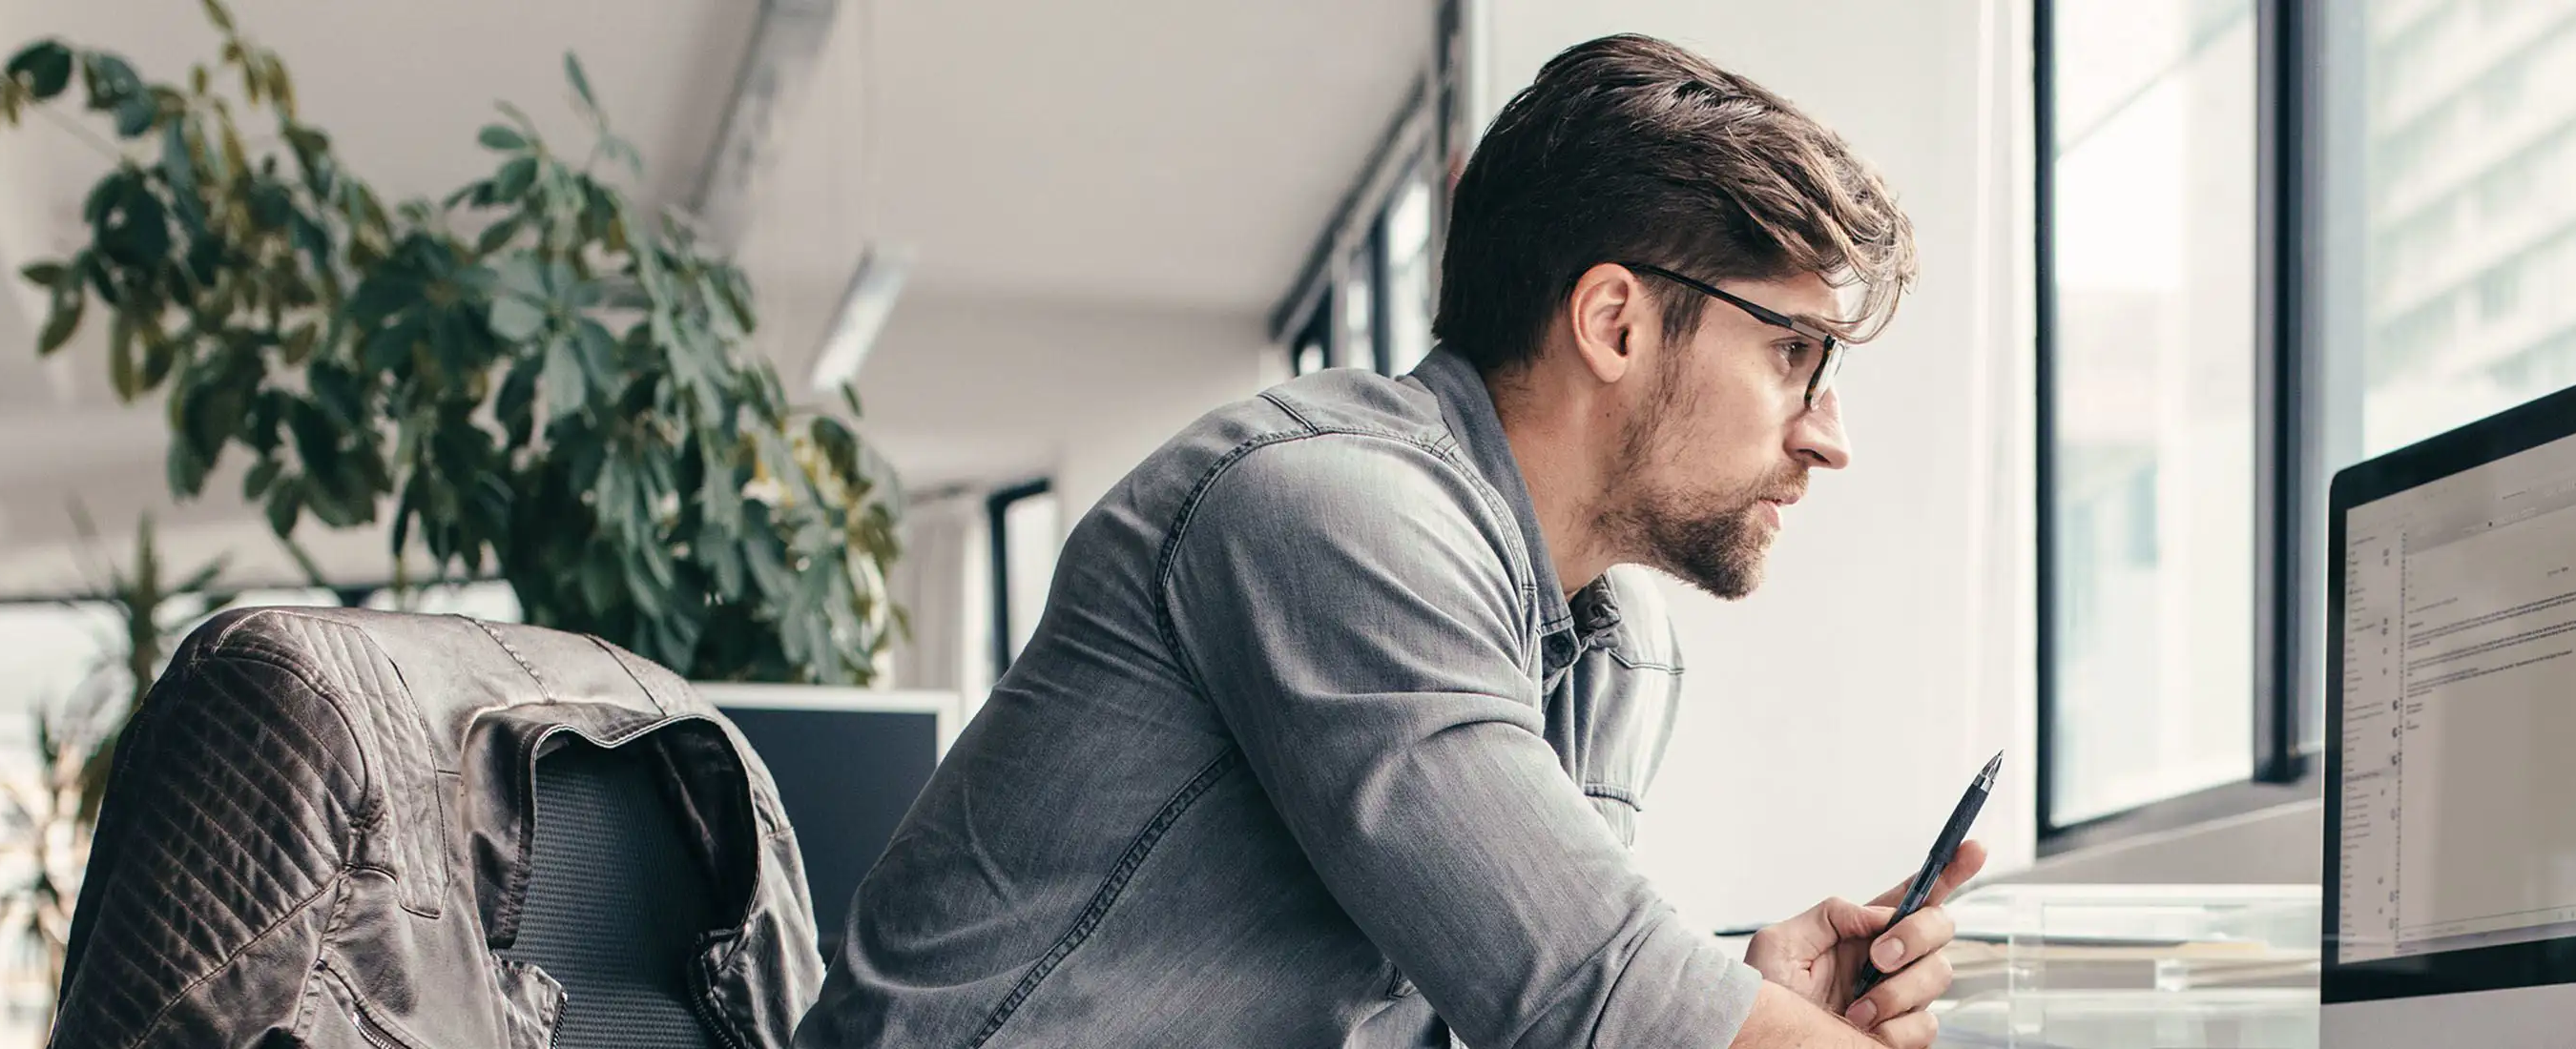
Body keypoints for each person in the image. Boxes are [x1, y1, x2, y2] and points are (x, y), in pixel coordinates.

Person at [793, 32, 1984, 1049]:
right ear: (1614, 321)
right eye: (1795, 352)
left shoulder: (1615, 642)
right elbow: (1588, 984)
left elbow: (1547, 996)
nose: (1830, 438)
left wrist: (1750, 999)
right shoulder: (1329, 513)